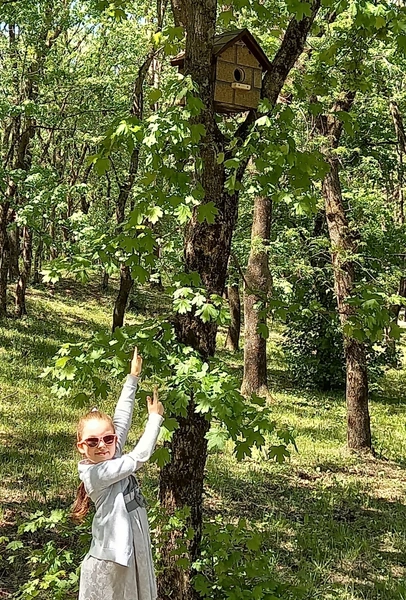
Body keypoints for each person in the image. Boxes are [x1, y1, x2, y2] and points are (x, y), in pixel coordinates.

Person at [71, 347, 164, 600]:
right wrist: (154, 420)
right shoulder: (97, 473)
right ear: (82, 447)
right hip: (115, 553)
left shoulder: (110, 452)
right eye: (93, 442)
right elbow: (138, 458)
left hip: (132, 540)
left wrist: (132, 378)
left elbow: (121, 420)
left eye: (108, 439)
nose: (102, 445)